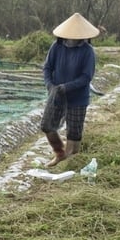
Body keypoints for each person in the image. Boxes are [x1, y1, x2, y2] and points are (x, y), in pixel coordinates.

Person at [41, 12, 99, 167]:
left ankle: (72, 160)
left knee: (73, 132)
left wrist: (66, 87)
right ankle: (60, 153)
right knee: (47, 126)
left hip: (78, 96)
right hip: (57, 94)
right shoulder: (56, 47)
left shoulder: (87, 51)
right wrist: (50, 85)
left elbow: (86, 77)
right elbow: (47, 68)